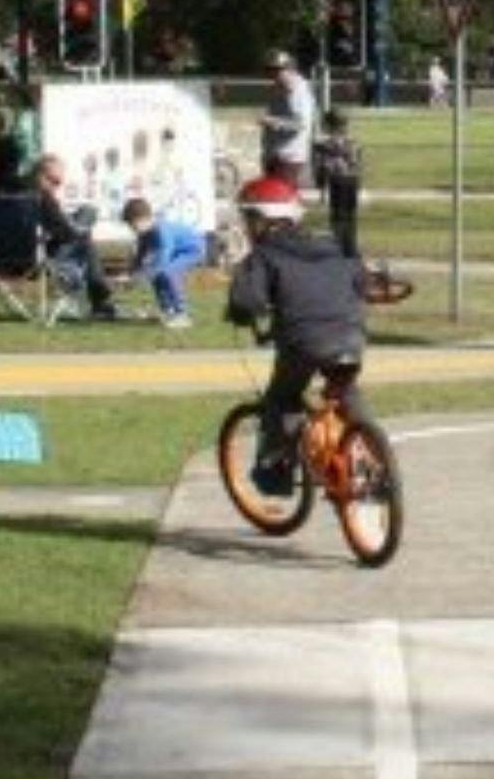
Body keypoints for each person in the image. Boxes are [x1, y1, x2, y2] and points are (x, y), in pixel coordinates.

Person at [222, 177, 369, 500]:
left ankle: (276, 472)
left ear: (260, 221)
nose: (247, 227)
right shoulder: (333, 245)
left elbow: (248, 302)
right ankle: (370, 450)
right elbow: (363, 282)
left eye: (248, 219)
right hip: (351, 334)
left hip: (303, 340)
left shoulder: (263, 256)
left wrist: (239, 314)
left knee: (283, 397)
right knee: (344, 387)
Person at [31, 154, 118, 322]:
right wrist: (78, 228)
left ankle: (100, 299)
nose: (57, 186)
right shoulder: (43, 198)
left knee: (84, 220)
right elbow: (64, 232)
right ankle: (101, 301)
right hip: (44, 254)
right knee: (86, 228)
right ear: (41, 175)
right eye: (55, 181)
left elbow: (54, 225)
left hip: (9, 257)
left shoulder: (19, 195)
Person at [122, 197, 206, 328]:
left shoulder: (162, 230)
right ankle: (168, 311)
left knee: (168, 273)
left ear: (144, 219)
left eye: (133, 225)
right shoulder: (144, 234)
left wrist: (144, 275)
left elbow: (163, 257)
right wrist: (132, 274)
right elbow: (140, 255)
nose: (132, 229)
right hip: (176, 252)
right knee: (157, 275)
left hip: (192, 250)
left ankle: (183, 315)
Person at [260, 50, 316, 188]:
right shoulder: (278, 88)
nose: (272, 74)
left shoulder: (297, 91)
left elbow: (300, 124)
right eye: (269, 70)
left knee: (282, 202)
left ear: (290, 69)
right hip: (276, 155)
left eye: (276, 70)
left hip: (289, 157)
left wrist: (272, 121)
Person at [311, 108, 362, 256]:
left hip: (336, 182)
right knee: (350, 215)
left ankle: (338, 245)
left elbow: (321, 167)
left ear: (327, 125)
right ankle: (350, 247)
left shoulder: (323, 145)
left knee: (337, 216)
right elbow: (358, 165)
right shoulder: (354, 143)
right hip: (351, 181)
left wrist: (320, 187)